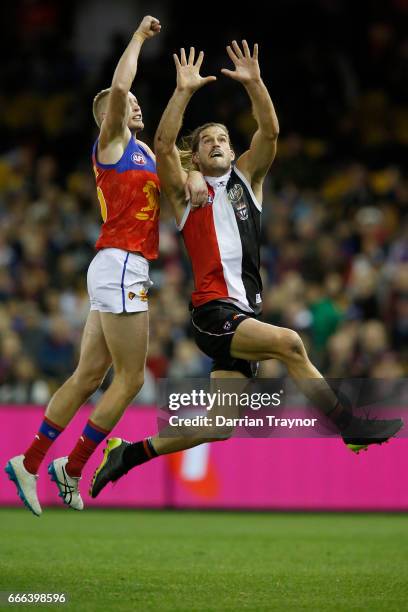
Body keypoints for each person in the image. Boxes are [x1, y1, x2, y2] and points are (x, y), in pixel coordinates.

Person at [89, 41, 403, 498]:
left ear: (234, 152)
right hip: (214, 314)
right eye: (206, 141)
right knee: (291, 343)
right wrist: (183, 92)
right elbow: (162, 144)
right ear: (193, 157)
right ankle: (349, 424)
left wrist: (255, 84)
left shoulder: (247, 181)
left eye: (223, 139)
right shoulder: (184, 193)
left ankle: (128, 455)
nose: (217, 144)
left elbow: (270, 133)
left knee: (218, 427)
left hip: (244, 315)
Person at [5, 17, 207, 517]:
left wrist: (196, 174)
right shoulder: (112, 142)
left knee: (90, 373)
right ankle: (71, 469)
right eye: (129, 104)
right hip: (121, 263)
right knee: (132, 379)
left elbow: (180, 165)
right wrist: (138, 38)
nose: (136, 104)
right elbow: (120, 86)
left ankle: (29, 463)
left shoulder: (141, 152)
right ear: (109, 117)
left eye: (138, 103)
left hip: (115, 265)